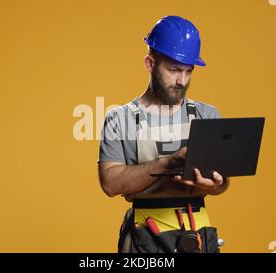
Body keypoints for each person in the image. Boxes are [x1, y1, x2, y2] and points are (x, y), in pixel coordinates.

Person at [98, 15, 230, 253]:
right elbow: (110, 183)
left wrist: (213, 185)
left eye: (188, 71)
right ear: (150, 63)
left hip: (199, 237)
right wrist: (169, 162)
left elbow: (222, 184)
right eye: (173, 70)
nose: (182, 80)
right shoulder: (120, 118)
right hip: (146, 239)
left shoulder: (207, 115)